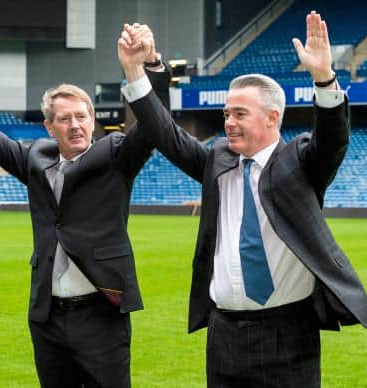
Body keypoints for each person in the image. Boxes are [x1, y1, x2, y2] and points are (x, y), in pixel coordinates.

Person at [119, 11, 367, 387]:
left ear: (272, 118)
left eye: (239, 113)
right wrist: (137, 74)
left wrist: (323, 77)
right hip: (223, 332)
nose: (228, 122)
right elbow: (165, 134)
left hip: (288, 333)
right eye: (225, 113)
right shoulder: (216, 160)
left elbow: (333, 140)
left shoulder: (300, 162)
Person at [0, 25, 168, 387]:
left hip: (101, 315)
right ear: (48, 126)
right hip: (47, 317)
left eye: (81, 117)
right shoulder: (37, 160)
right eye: (65, 119)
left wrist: (149, 65)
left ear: (93, 120)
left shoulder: (117, 155)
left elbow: (155, 127)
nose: (75, 126)